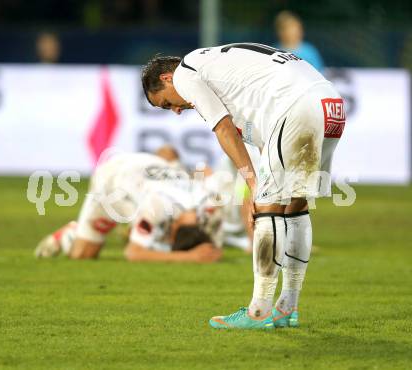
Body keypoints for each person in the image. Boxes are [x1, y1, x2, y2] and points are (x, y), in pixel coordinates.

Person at [141, 43, 345, 329]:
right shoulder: (223, 71)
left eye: (166, 103)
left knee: (267, 209)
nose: (175, 111)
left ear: (166, 78)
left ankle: (258, 312)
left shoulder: (185, 73)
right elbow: (261, 138)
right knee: (295, 205)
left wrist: (253, 186)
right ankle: (288, 308)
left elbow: (223, 129)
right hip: (330, 103)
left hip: (296, 104)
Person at [35, 152, 222, 263]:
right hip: (111, 180)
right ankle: (71, 232)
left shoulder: (209, 203)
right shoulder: (157, 206)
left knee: (147, 228)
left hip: (148, 166)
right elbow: (133, 253)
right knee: (82, 255)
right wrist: (189, 258)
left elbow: (205, 171)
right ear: (172, 233)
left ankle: (134, 228)